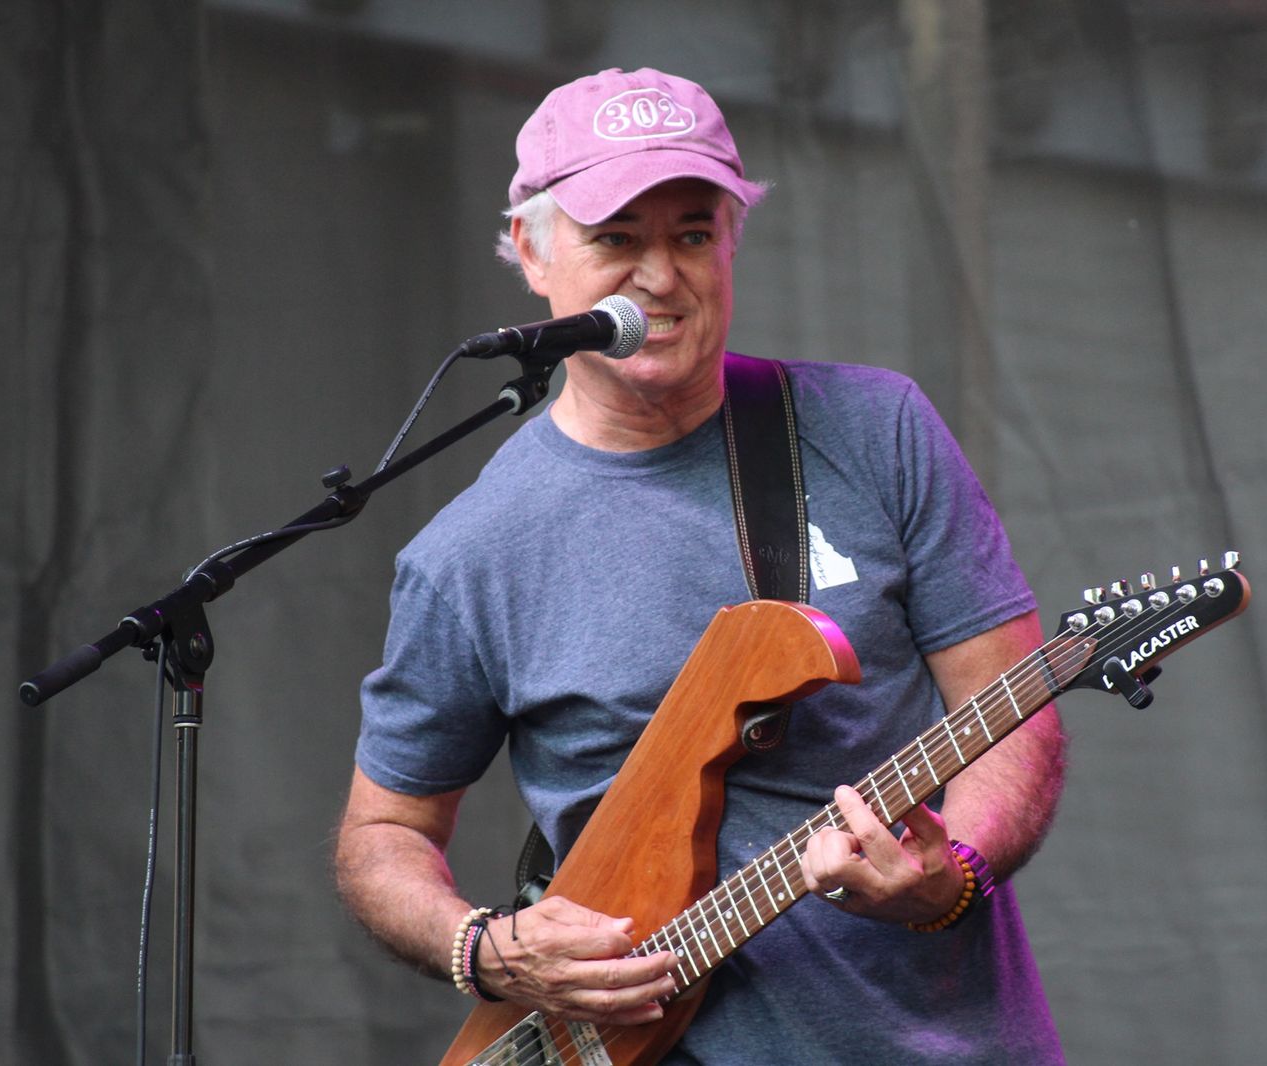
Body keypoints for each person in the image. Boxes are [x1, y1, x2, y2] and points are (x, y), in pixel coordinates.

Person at [335, 67, 1068, 1064]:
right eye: (615, 239)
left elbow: (1012, 708)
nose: (660, 276)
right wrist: (490, 951)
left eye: (692, 233)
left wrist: (955, 874)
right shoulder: (472, 552)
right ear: (531, 250)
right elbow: (382, 833)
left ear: (731, 240)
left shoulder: (875, 429)